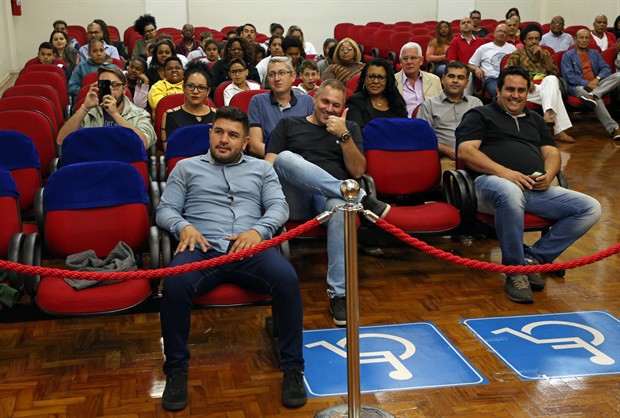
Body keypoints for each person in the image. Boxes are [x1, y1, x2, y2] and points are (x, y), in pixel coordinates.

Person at [156, 106, 307, 412]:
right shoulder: (185, 168)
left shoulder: (262, 169)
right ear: (210, 134)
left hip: (249, 249)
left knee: (287, 279)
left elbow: (279, 207)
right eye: (219, 132)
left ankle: (293, 368)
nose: (224, 140)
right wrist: (183, 226)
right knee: (173, 285)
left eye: (233, 135)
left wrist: (258, 231)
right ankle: (176, 370)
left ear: (245, 142)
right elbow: (165, 209)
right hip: (202, 247)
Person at [456, 66, 601, 304]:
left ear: (528, 92)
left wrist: (549, 175)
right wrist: (506, 173)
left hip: (533, 188)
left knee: (590, 207)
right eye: (509, 89)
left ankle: (534, 260)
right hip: (489, 186)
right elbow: (466, 151)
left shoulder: (535, 119)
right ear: (498, 90)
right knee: (510, 190)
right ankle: (515, 272)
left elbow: (552, 152)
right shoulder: (480, 114)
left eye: (521, 90)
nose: (515, 95)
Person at [264, 80, 391, 326]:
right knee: (286, 157)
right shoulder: (289, 124)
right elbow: (270, 165)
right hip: (296, 197)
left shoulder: (349, 128)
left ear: (343, 107)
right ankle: (362, 199)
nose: (329, 109)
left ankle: (339, 295)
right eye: (325, 102)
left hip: (329, 200)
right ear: (314, 98)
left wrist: (343, 136)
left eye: (336, 105)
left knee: (341, 209)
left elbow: (357, 171)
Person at [506, 24, 575, 143]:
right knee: (555, 94)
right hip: (526, 90)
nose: (534, 41)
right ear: (524, 40)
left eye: (536, 39)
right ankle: (559, 131)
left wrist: (544, 56)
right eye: (530, 38)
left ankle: (547, 114)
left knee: (552, 79)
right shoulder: (517, 54)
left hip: (543, 88)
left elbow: (554, 72)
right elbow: (508, 73)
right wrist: (526, 81)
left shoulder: (545, 53)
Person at [58, 66, 156, 149]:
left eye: (114, 85)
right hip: (93, 161)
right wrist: (85, 107)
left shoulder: (139, 114)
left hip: (124, 162)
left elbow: (143, 144)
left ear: (124, 89)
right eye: (104, 85)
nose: (110, 90)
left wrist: (115, 114)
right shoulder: (89, 112)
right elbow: (61, 140)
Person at [417, 61, 482, 172]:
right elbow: (421, 138)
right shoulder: (429, 105)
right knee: (452, 179)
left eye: (460, 78)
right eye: (451, 76)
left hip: (475, 157)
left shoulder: (476, 104)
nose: (455, 81)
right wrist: (448, 151)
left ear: (467, 83)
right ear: (443, 79)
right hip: (445, 158)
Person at [248, 56, 314, 157]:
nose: (277, 78)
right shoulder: (258, 102)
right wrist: (282, 160)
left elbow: (313, 140)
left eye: (282, 73)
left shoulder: (307, 101)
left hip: (303, 160)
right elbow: (255, 145)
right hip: (270, 161)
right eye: (271, 74)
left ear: (293, 76)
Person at [561, 29, 620, 140]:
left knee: (618, 76)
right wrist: (588, 84)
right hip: (577, 87)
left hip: (596, 84)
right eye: (581, 37)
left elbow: (606, 68)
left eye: (587, 38)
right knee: (596, 99)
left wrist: (597, 79)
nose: (584, 40)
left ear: (589, 40)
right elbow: (570, 77)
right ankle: (615, 128)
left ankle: (594, 94)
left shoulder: (594, 53)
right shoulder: (567, 56)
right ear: (575, 39)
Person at [161, 61, 216, 150]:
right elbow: (169, 151)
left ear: (208, 91)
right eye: (190, 86)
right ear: (183, 88)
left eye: (201, 87)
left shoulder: (217, 116)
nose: (195, 91)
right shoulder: (170, 115)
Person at [346, 58, 407, 131]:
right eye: (371, 77)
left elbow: (404, 127)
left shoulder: (396, 100)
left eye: (381, 77)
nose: (375, 81)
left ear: (388, 80)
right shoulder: (355, 102)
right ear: (364, 79)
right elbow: (357, 132)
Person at [468, 24, 516, 99]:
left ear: (507, 36)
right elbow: (470, 65)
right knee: (499, 92)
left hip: (509, 78)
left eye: (504, 32)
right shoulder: (484, 48)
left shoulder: (512, 48)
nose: (501, 34)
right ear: (494, 34)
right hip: (491, 79)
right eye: (499, 31)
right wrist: (477, 69)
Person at [395, 42, 442, 117]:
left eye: (413, 58)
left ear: (421, 60)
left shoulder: (434, 80)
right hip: (403, 122)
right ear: (400, 62)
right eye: (405, 58)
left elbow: (441, 107)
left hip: (429, 122)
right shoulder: (392, 81)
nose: (409, 62)